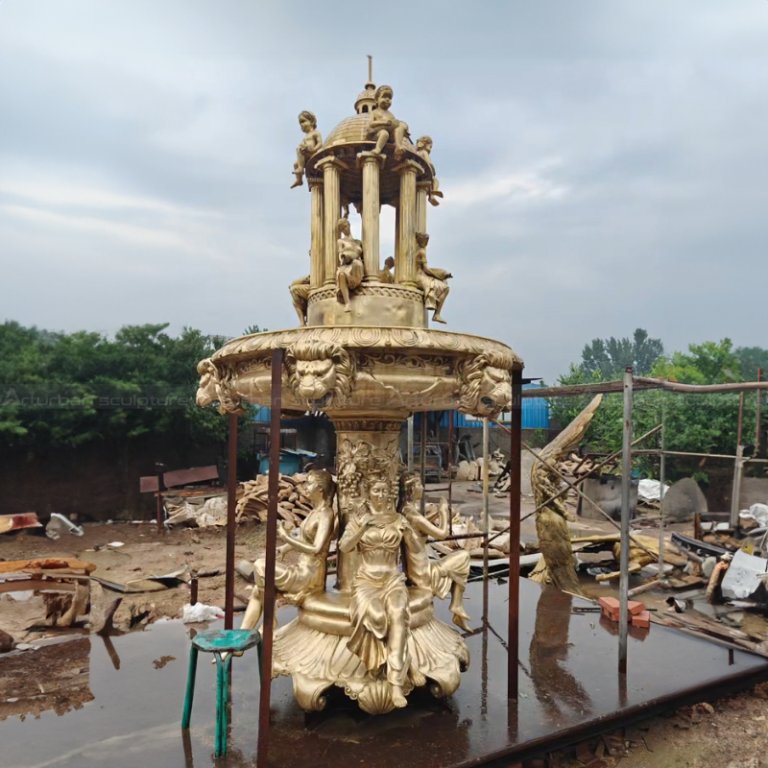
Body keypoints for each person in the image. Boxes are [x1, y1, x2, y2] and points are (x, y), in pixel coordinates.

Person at [340, 479, 410, 708]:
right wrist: (362, 527)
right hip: (367, 581)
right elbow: (344, 547)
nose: (381, 494)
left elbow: (416, 549)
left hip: (392, 579)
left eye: (385, 490)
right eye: (376, 490)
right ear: (368, 494)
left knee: (398, 612)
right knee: (378, 617)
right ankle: (375, 664)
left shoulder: (399, 520)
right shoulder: (358, 520)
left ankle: (396, 681)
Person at [239, 469, 337, 631]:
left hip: (309, 575)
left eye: (309, 483)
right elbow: (305, 538)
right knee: (257, 591)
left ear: (320, 489)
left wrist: (286, 537)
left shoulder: (326, 514)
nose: (305, 487)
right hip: (301, 568)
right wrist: (284, 548)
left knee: (260, 565)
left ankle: (271, 621)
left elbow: (316, 548)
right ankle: (241, 637)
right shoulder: (314, 512)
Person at [399, 473, 471, 630]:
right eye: (419, 485)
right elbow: (442, 534)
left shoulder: (405, 510)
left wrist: (436, 513)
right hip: (424, 573)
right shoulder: (413, 516)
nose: (422, 488)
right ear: (411, 489)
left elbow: (422, 526)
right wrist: (444, 512)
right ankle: (457, 604)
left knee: (457, 561)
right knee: (463, 556)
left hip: (415, 570)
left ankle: (457, 604)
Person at [414, 232, 451, 324]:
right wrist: (439, 276)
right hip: (418, 277)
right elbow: (426, 270)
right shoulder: (422, 252)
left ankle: (435, 310)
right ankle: (436, 314)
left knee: (443, 282)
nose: (427, 243)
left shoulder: (417, 251)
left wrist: (442, 274)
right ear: (422, 241)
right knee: (445, 288)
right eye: (426, 241)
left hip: (418, 275)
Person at [367, 85, 409, 158]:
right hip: (376, 133)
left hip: (390, 135)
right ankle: (378, 148)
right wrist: (384, 122)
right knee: (384, 133)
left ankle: (398, 146)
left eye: (389, 98)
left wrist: (403, 127)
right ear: (376, 100)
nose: (387, 99)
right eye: (384, 97)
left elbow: (395, 125)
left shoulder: (390, 114)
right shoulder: (374, 112)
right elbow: (370, 124)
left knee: (400, 127)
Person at [335, 218, 364, 312]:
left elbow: (362, 257)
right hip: (346, 264)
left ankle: (354, 282)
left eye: (345, 226)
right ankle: (347, 303)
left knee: (357, 263)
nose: (345, 229)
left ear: (349, 225)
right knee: (341, 274)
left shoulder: (358, 242)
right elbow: (340, 254)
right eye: (342, 228)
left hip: (356, 266)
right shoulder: (341, 241)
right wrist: (345, 257)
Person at [291, 110, 322, 188]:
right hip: (307, 154)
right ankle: (299, 180)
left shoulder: (315, 133)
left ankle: (301, 169)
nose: (301, 124)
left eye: (303, 121)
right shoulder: (306, 136)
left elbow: (320, 143)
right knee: (295, 164)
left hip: (313, 153)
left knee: (299, 149)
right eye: (300, 123)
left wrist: (314, 149)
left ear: (311, 121)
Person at [415, 135, 443, 206]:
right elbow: (429, 163)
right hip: (423, 172)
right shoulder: (424, 152)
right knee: (435, 180)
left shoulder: (417, 153)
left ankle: (432, 195)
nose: (430, 149)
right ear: (424, 144)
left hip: (418, 173)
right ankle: (433, 193)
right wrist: (433, 170)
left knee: (429, 183)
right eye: (430, 147)